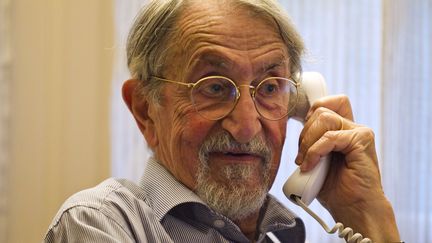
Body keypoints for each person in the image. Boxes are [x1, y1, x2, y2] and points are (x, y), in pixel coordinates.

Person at [45, 0, 402, 242]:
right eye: (214, 87)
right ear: (144, 108)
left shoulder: (280, 233)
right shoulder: (100, 222)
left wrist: (367, 216)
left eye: (269, 87)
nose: (246, 126)